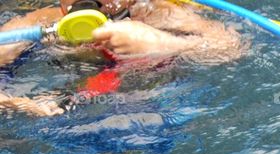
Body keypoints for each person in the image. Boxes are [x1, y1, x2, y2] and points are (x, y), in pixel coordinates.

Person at [0, 0, 244, 116]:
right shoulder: (40, 22)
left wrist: (164, 43)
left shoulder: (161, 14)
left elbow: (232, 48)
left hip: (156, 105)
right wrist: (18, 104)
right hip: (76, 108)